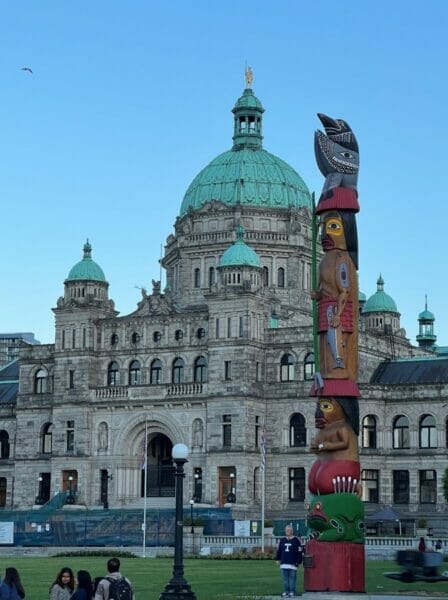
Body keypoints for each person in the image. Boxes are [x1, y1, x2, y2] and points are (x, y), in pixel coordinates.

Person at [276, 526, 303, 598]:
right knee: (285, 579)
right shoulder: (282, 540)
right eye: (286, 530)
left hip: (293, 563)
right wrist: (278, 559)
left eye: (289, 530)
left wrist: (299, 561)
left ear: (292, 531)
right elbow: (279, 550)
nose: (287, 531)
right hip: (284, 562)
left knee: (292, 578)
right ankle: (286, 591)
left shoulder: (296, 540)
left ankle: (292, 591)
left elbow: (299, 551)